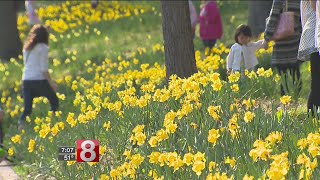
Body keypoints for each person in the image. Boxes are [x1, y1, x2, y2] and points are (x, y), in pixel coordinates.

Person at [19, 24, 59, 130]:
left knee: (27, 108)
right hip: (39, 80)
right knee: (54, 100)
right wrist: (52, 83)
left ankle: (21, 125)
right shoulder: (43, 48)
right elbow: (44, 69)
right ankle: (54, 122)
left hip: (26, 80)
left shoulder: (26, 48)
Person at [264, 0, 302, 96]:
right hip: (295, 41)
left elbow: (273, 18)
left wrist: (266, 38)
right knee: (295, 74)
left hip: (281, 44)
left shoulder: (279, 1)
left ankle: (285, 101)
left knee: (283, 77)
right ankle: (296, 98)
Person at [298, 0, 320, 115]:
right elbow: (315, 8)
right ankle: (312, 116)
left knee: (316, 81)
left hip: (313, 34)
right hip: (315, 36)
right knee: (316, 81)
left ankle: (312, 115)